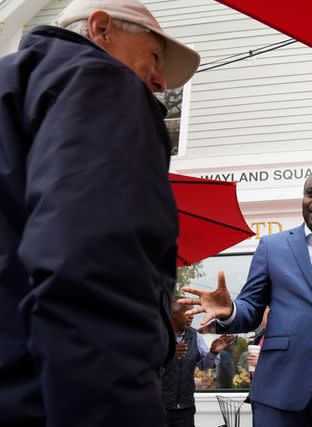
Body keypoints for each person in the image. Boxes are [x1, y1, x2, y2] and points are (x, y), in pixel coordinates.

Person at [0, 0, 200, 426]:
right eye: (155, 55)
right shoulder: (101, 81)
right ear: (101, 29)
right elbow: (90, 273)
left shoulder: (13, 90)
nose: (161, 81)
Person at [180, 168, 312, 427]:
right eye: (310, 193)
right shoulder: (272, 247)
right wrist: (232, 310)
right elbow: (251, 309)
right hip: (279, 388)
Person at [163, 296, 232, 427]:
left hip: (185, 409)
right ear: (173, 313)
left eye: (193, 312)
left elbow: (204, 365)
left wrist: (213, 352)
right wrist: (168, 354)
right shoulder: (158, 335)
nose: (192, 316)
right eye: (188, 312)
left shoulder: (195, 336)